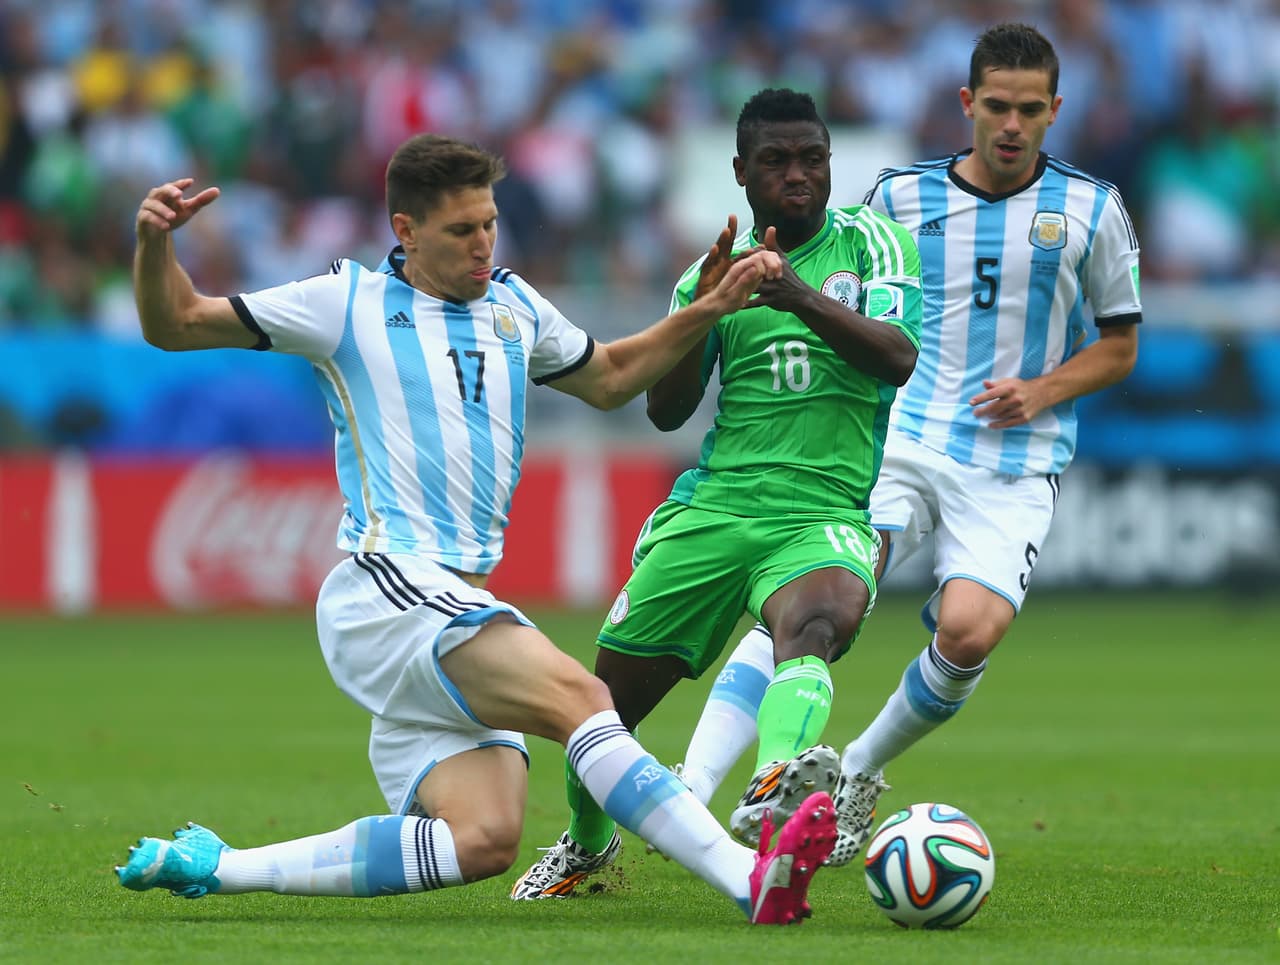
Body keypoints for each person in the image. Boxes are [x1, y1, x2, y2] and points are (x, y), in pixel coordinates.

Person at [113, 133, 840, 926]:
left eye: (489, 223)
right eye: (461, 230)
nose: (483, 244)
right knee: (582, 696)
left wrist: (707, 309)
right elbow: (176, 321)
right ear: (406, 230)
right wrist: (155, 245)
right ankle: (748, 875)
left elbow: (610, 379)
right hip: (387, 586)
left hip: (453, 602)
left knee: (484, 837)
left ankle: (217, 864)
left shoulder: (513, 306)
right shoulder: (346, 302)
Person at [676, 22, 1142, 868]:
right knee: (813, 593)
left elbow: (1119, 344)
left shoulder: (1091, 209)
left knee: (969, 633)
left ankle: (857, 770)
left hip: (1014, 460)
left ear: (1054, 110)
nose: (1010, 124)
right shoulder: (899, 197)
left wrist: (1042, 389)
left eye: (1029, 109)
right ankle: (691, 788)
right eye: (996, 106)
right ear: (967, 103)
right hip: (900, 436)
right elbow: (842, 287)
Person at [510, 88, 922, 899]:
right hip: (717, 506)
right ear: (740, 172)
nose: (797, 175)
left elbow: (896, 356)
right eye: (777, 161)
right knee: (600, 707)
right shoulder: (708, 275)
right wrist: (704, 310)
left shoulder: (873, 244)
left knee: (817, 622)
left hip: (822, 510)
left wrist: (796, 296)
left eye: (812, 159)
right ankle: (587, 843)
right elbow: (665, 412)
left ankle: (777, 783)